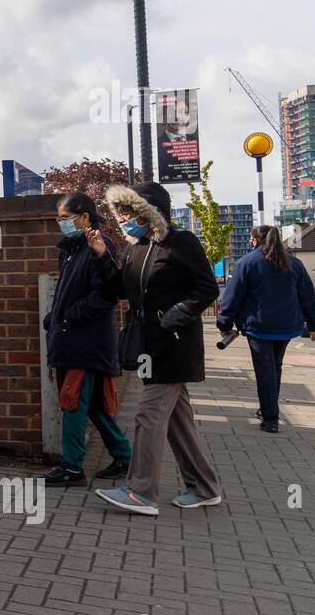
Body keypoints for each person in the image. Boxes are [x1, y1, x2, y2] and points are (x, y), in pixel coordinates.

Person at [85, 182, 222, 516]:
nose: (125, 219)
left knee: (148, 415)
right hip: (148, 346)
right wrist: (103, 256)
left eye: (131, 212)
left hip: (174, 347)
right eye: (122, 213)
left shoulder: (180, 243)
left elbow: (206, 288)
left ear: (150, 212)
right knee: (177, 421)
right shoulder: (136, 247)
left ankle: (140, 491)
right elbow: (119, 289)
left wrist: (177, 313)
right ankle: (204, 488)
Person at [40, 192, 132, 486]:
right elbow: (68, 292)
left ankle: (72, 468)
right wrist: (54, 318)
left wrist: (66, 318)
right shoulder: (70, 250)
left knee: (72, 402)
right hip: (72, 337)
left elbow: (104, 296)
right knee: (90, 404)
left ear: (84, 217)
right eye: (60, 218)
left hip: (86, 341)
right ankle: (124, 455)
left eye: (66, 218)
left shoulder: (98, 246)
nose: (61, 223)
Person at [216, 225, 315, 433]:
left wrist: (224, 324)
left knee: (265, 371)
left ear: (255, 241)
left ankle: (270, 418)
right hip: (286, 326)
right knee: (274, 367)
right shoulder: (294, 264)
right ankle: (269, 409)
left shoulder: (246, 263)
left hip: (258, 327)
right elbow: (307, 297)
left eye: (250, 239)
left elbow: (232, 297)